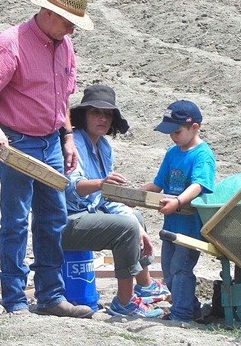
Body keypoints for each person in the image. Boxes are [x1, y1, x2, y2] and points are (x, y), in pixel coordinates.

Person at [0, 0, 95, 318]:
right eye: (70, 22)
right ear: (50, 13)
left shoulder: (64, 45)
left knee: (54, 218)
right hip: (17, 143)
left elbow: (62, 97)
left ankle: (51, 296)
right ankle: (15, 299)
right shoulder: (10, 45)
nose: (72, 30)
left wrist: (68, 136)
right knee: (16, 221)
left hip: (51, 140)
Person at [61, 85, 170, 318]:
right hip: (67, 220)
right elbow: (72, 190)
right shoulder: (73, 144)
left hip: (89, 214)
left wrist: (134, 221)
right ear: (84, 116)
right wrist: (101, 183)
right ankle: (124, 302)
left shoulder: (104, 147)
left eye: (107, 114)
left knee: (135, 218)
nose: (102, 118)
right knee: (127, 228)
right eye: (96, 113)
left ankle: (145, 285)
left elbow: (108, 199)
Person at [140, 100, 216, 322]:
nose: (173, 136)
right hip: (171, 225)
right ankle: (191, 308)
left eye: (177, 131)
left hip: (190, 226)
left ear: (195, 127)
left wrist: (178, 202)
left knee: (181, 269)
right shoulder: (172, 153)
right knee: (169, 271)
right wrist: (136, 195)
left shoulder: (202, 155)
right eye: (170, 132)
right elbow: (158, 184)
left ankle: (182, 314)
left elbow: (198, 185)